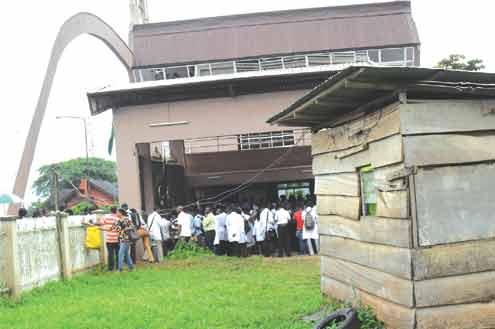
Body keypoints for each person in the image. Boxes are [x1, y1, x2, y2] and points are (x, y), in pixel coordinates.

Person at [100, 206, 120, 271]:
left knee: (110, 254)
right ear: (116, 211)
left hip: (109, 239)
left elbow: (101, 223)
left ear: (110, 210)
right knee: (118, 254)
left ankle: (110, 268)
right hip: (117, 238)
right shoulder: (118, 218)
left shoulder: (106, 217)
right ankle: (117, 267)